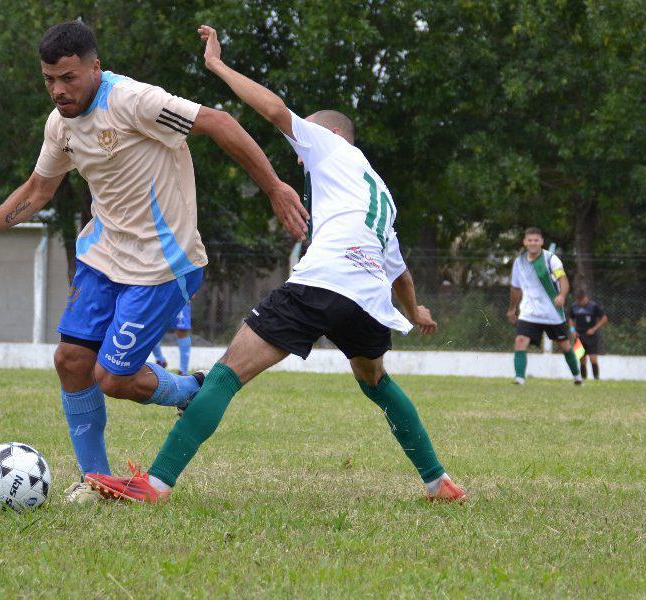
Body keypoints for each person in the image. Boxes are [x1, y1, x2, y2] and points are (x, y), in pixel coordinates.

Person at [84, 25, 466, 504]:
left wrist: (218, 66)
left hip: (323, 283)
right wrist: (416, 313)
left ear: (328, 133)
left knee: (226, 374)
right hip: (366, 299)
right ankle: (438, 482)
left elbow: (272, 109)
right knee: (376, 381)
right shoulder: (380, 192)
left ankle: (155, 484)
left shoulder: (331, 145)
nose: (301, 160)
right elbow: (400, 273)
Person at [0, 21, 308, 503]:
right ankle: (96, 481)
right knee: (71, 361)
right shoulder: (61, 126)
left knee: (114, 379)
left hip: (163, 266)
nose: (58, 90)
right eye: (49, 79)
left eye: (69, 78)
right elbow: (39, 189)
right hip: (103, 257)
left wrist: (275, 188)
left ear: (95, 67)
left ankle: (189, 390)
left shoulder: (135, 101)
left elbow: (220, 122)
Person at [506, 228, 582, 385]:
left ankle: (577, 376)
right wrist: (512, 308)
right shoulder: (519, 262)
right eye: (530, 240)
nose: (533, 243)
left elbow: (563, 280)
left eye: (536, 240)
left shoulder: (551, 259)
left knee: (565, 345)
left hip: (552, 312)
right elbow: (515, 287)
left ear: (541, 242)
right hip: (529, 312)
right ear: (525, 242)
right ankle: (519, 378)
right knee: (520, 340)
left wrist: (561, 295)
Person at [569, 289, 608, 380]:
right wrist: (572, 330)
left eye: (581, 300)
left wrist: (594, 329)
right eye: (577, 300)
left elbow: (604, 318)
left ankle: (596, 378)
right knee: (581, 359)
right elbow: (570, 319)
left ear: (585, 298)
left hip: (591, 336)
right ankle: (583, 378)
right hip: (578, 336)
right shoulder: (574, 306)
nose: (579, 302)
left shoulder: (593, 306)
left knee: (592, 358)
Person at [150, 300, 193, 375]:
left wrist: (191, 289)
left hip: (178, 294)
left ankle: (183, 371)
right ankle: (160, 360)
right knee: (150, 329)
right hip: (157, 294)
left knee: (182, 330)